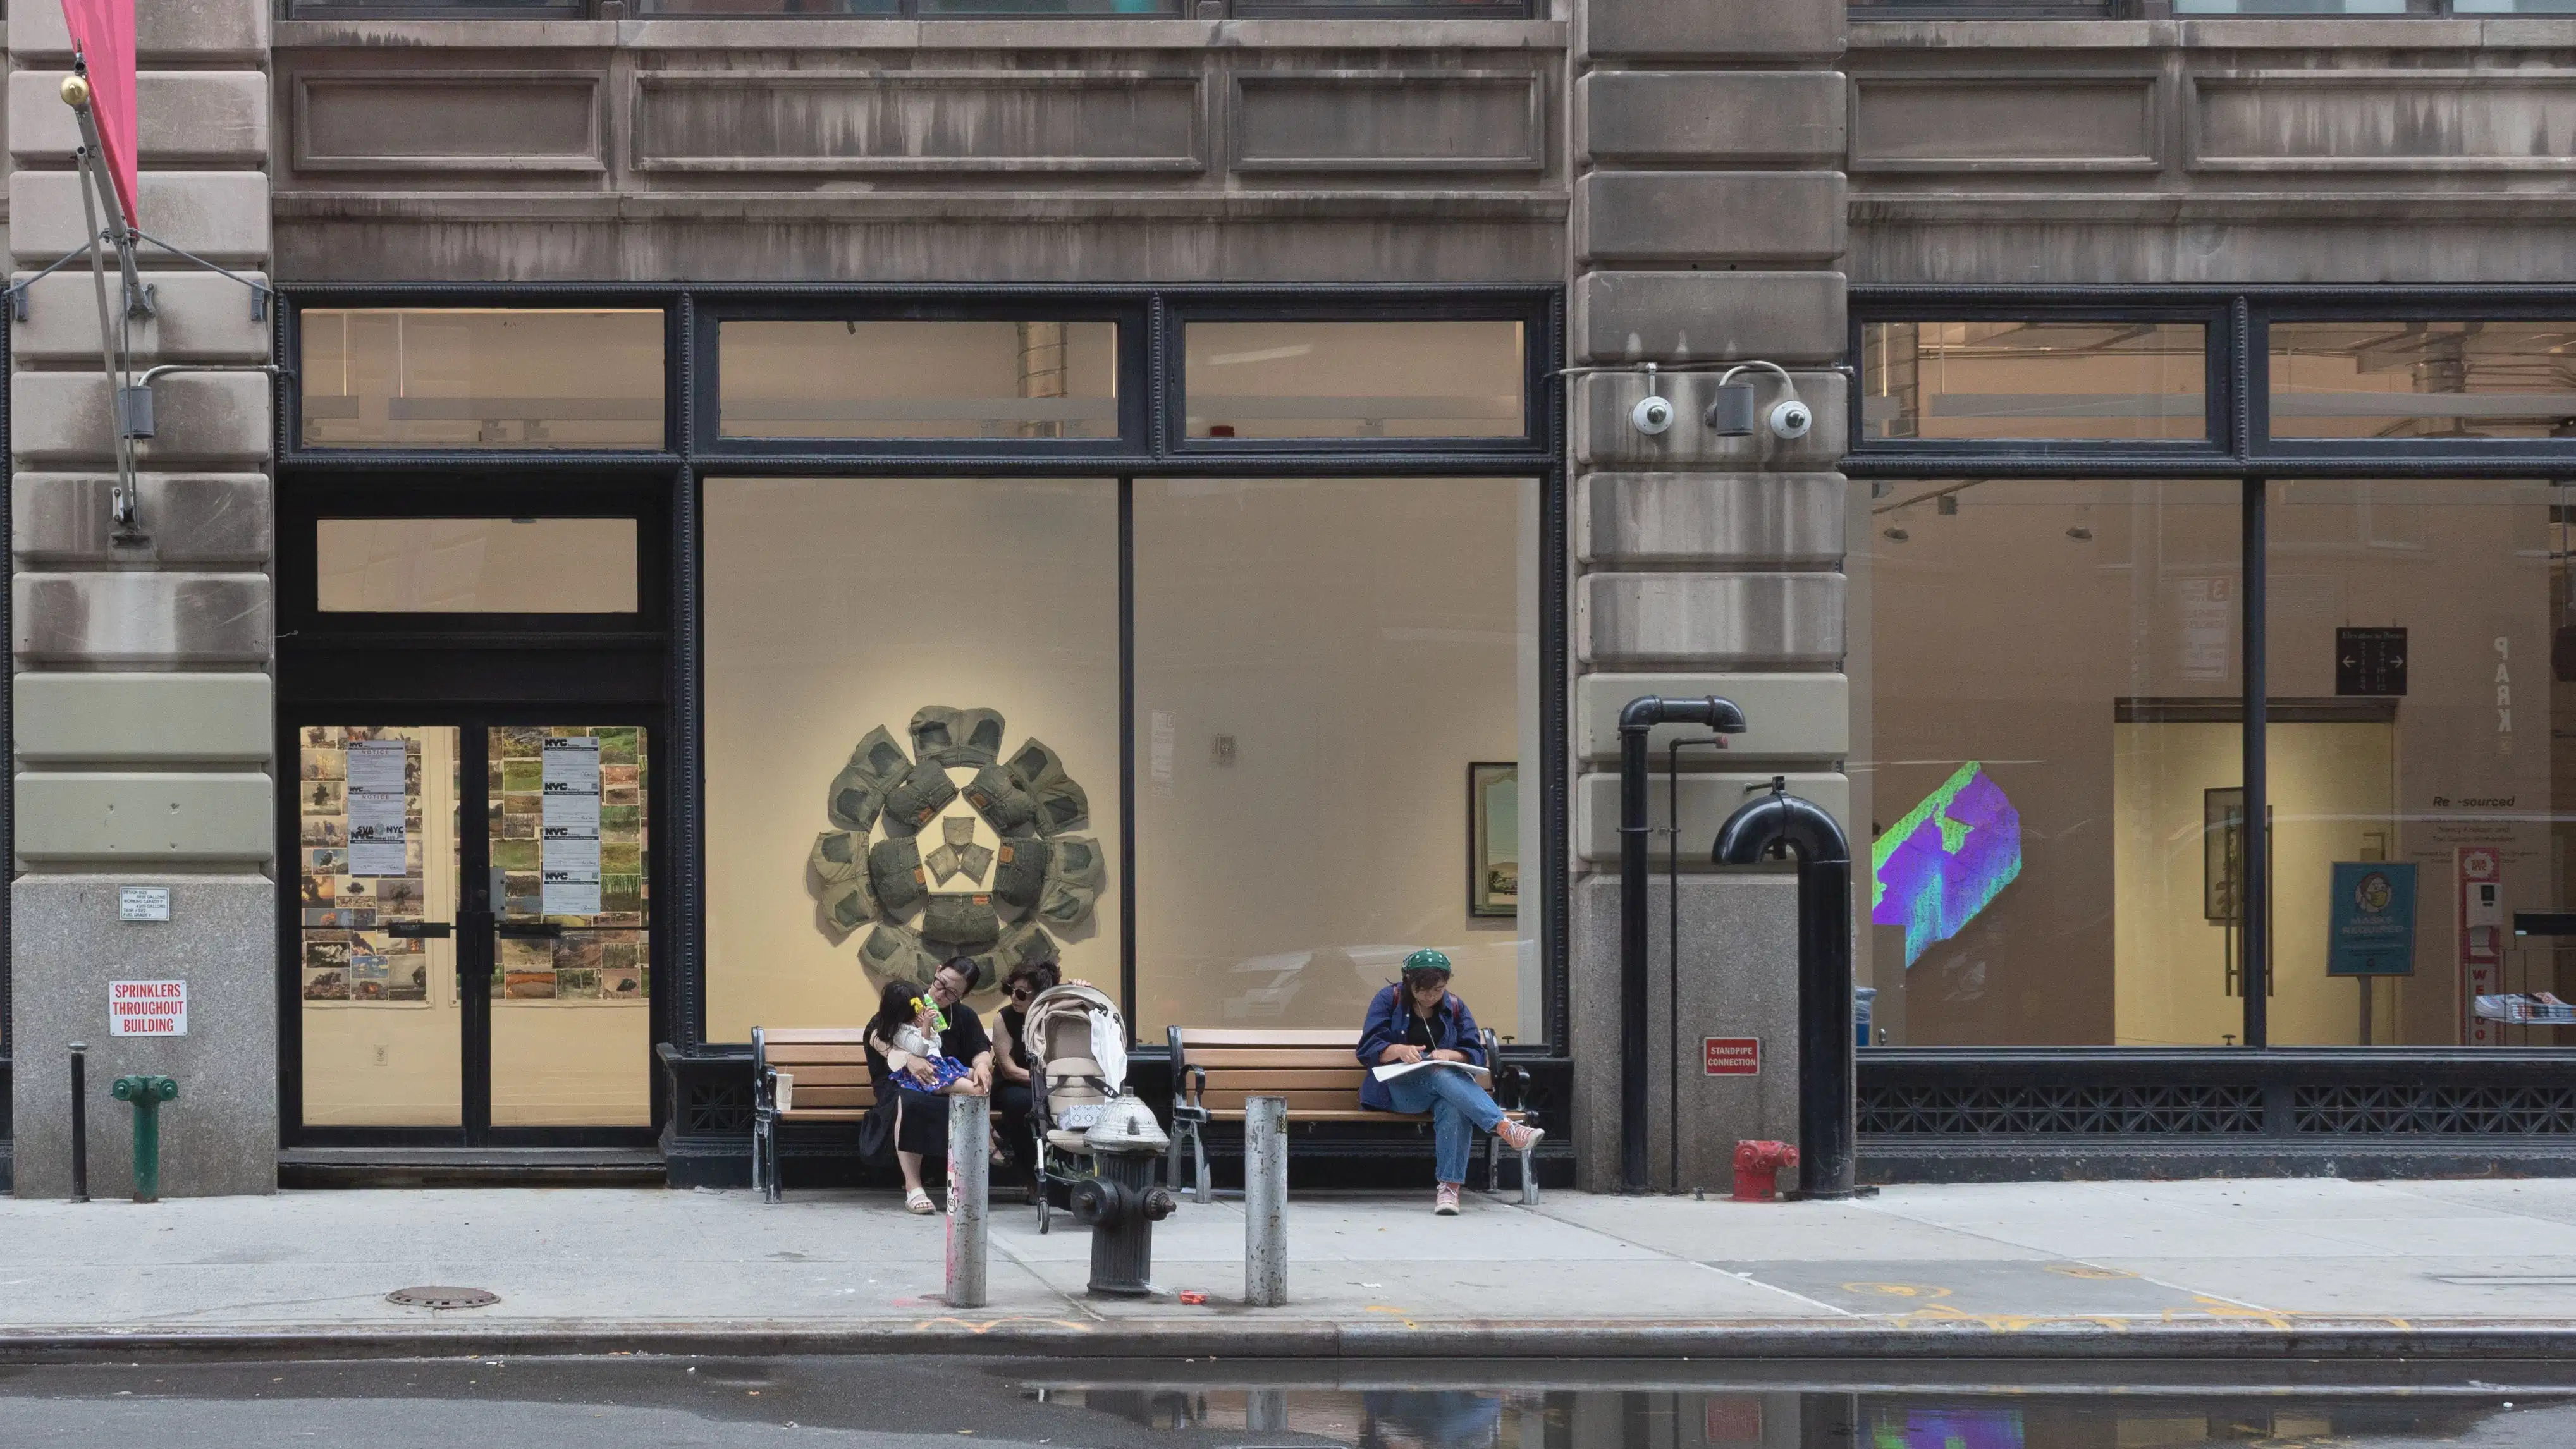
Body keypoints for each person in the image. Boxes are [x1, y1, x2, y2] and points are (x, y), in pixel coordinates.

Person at [1357, 948, 1543, 1216]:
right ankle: (1505, 1127)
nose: (1430, 997)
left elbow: (1476, 1053)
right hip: (1397, 1091)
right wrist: (1398, 1050)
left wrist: (1451, 1054)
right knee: (1437, 1072)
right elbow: (1367, 1049)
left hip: (1445, 1091)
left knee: (1453, 1104)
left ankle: (1449, 1190)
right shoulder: (1390, 999)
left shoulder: (1455, 1005)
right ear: (1408, 981)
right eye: (1422, 990)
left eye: (1438, 990)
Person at [864, 957, 995, 1214]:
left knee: (974, 1091)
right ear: (937, 971)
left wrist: (981, 1065)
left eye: (953, 993)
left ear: (964, 996)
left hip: (943, 1079)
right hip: (899, 1084)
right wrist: (909, 1059)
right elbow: (876, 1037)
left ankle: (968, 1182)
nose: (941, 993)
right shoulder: (906, 1002)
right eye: (940, 983)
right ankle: (913, 1187)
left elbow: (981, 1048)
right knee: (912, 1099)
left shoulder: (964, 1016)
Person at [989, 958, 1062, 1197]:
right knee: (1022, 1105)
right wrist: (1046, 1081)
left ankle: (1066, 1176)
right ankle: (1032, 1180)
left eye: (1021, 994)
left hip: (1052, 1084)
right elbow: (1008, 1068)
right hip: (1015, 1083)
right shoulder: (1005, 1018)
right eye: (1012, 990)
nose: (1014, 997)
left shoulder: (1056, 1016)